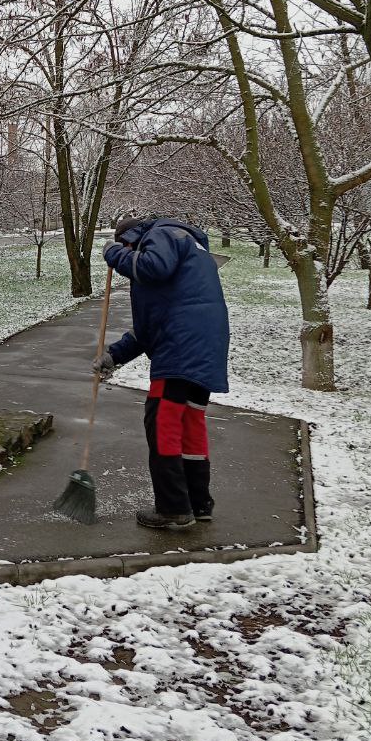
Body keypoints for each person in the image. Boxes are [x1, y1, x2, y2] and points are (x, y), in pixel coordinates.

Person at [96, 216, 230, 531]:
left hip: (180, 347)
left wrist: (113, 253)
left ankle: (173, 509)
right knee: (190, 425)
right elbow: (148, 328)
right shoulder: (186, 248)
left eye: (128, 248)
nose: (130, 257)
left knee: (163, 423)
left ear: (131, 238)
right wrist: (113, 356)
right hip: (201, 346)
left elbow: (152, 267)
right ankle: (198, 504)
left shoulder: (164, 234)